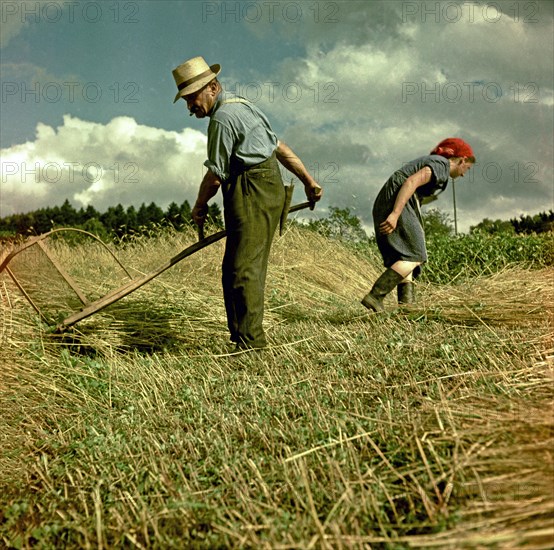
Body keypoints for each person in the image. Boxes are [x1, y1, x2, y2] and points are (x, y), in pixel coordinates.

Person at [172, 56, 322, 350]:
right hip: (263, 188)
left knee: (244, 270)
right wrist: (308, 180)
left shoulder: (222, 119)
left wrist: (199, 206)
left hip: (252, 190)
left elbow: (215, 175)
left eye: (192, 98)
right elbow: (278, 146)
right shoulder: (243, 106)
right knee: (232, 269)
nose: (190, 107)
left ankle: (252, 345)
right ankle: (240, 336)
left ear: (212, 87)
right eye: (186, 101)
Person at [361, 138, 475, 311]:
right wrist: (395, 214)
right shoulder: (441, 164)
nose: (464, 173)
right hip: (397, 202)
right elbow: (411, 182)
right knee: (416, 255)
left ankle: (407, 308)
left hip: (391, 199)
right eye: (467, 168)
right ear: (462, 159)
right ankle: (376, 296)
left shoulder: (436, 164)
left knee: (405, 257)